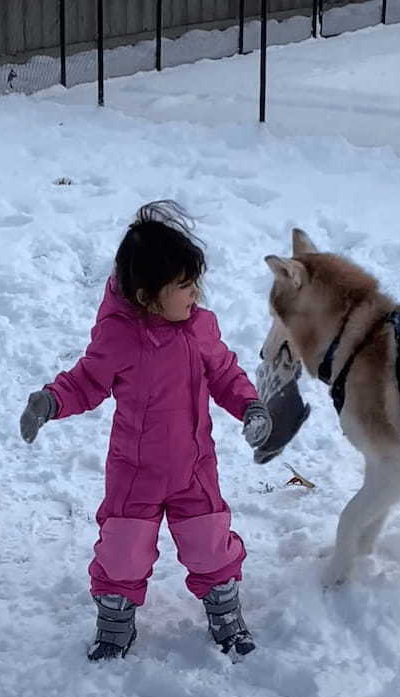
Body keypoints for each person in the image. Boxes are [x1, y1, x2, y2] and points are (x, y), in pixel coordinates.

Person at [20, 201, 272, 661]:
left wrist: (250, 406)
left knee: (209, 544)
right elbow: (86, 381)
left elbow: (225, 374)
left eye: (195, 282)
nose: (195, 294)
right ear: (145, 296)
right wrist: (50, 402)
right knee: (122, 552)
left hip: (194, 467)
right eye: (183, 286)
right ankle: (115, 619)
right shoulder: (120, 338)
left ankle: (224, 609)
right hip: (134, 472)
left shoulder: (200, 330)